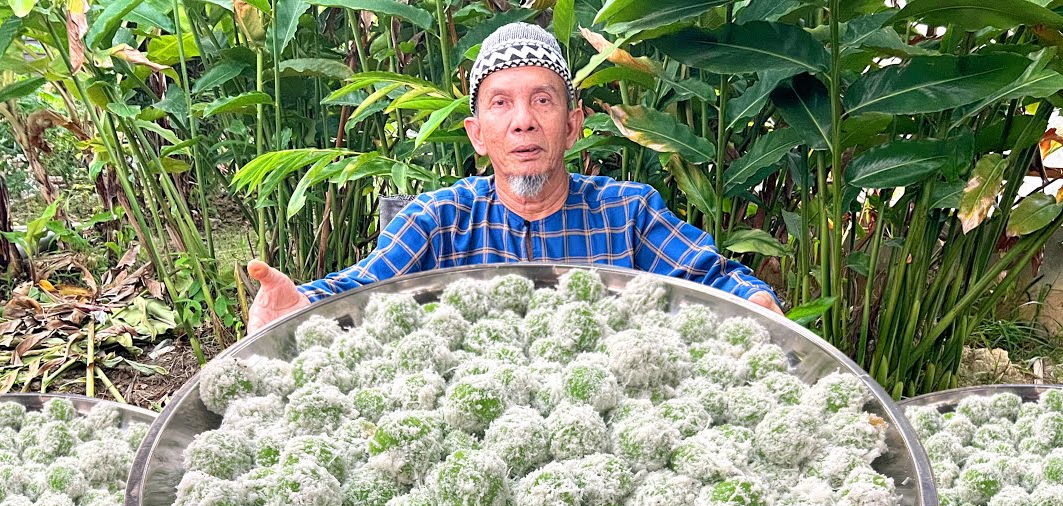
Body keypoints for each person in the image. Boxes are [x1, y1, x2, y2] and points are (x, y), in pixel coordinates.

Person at [247, 22, 782, 331]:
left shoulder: (629, 214)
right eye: (501, 103)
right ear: (478, 134)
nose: (523, 119)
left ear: (572, 126)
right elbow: (360, 288)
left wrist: (756, 303)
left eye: (542, 100)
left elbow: (713, 281)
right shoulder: (439, 219)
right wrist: (301, 305)